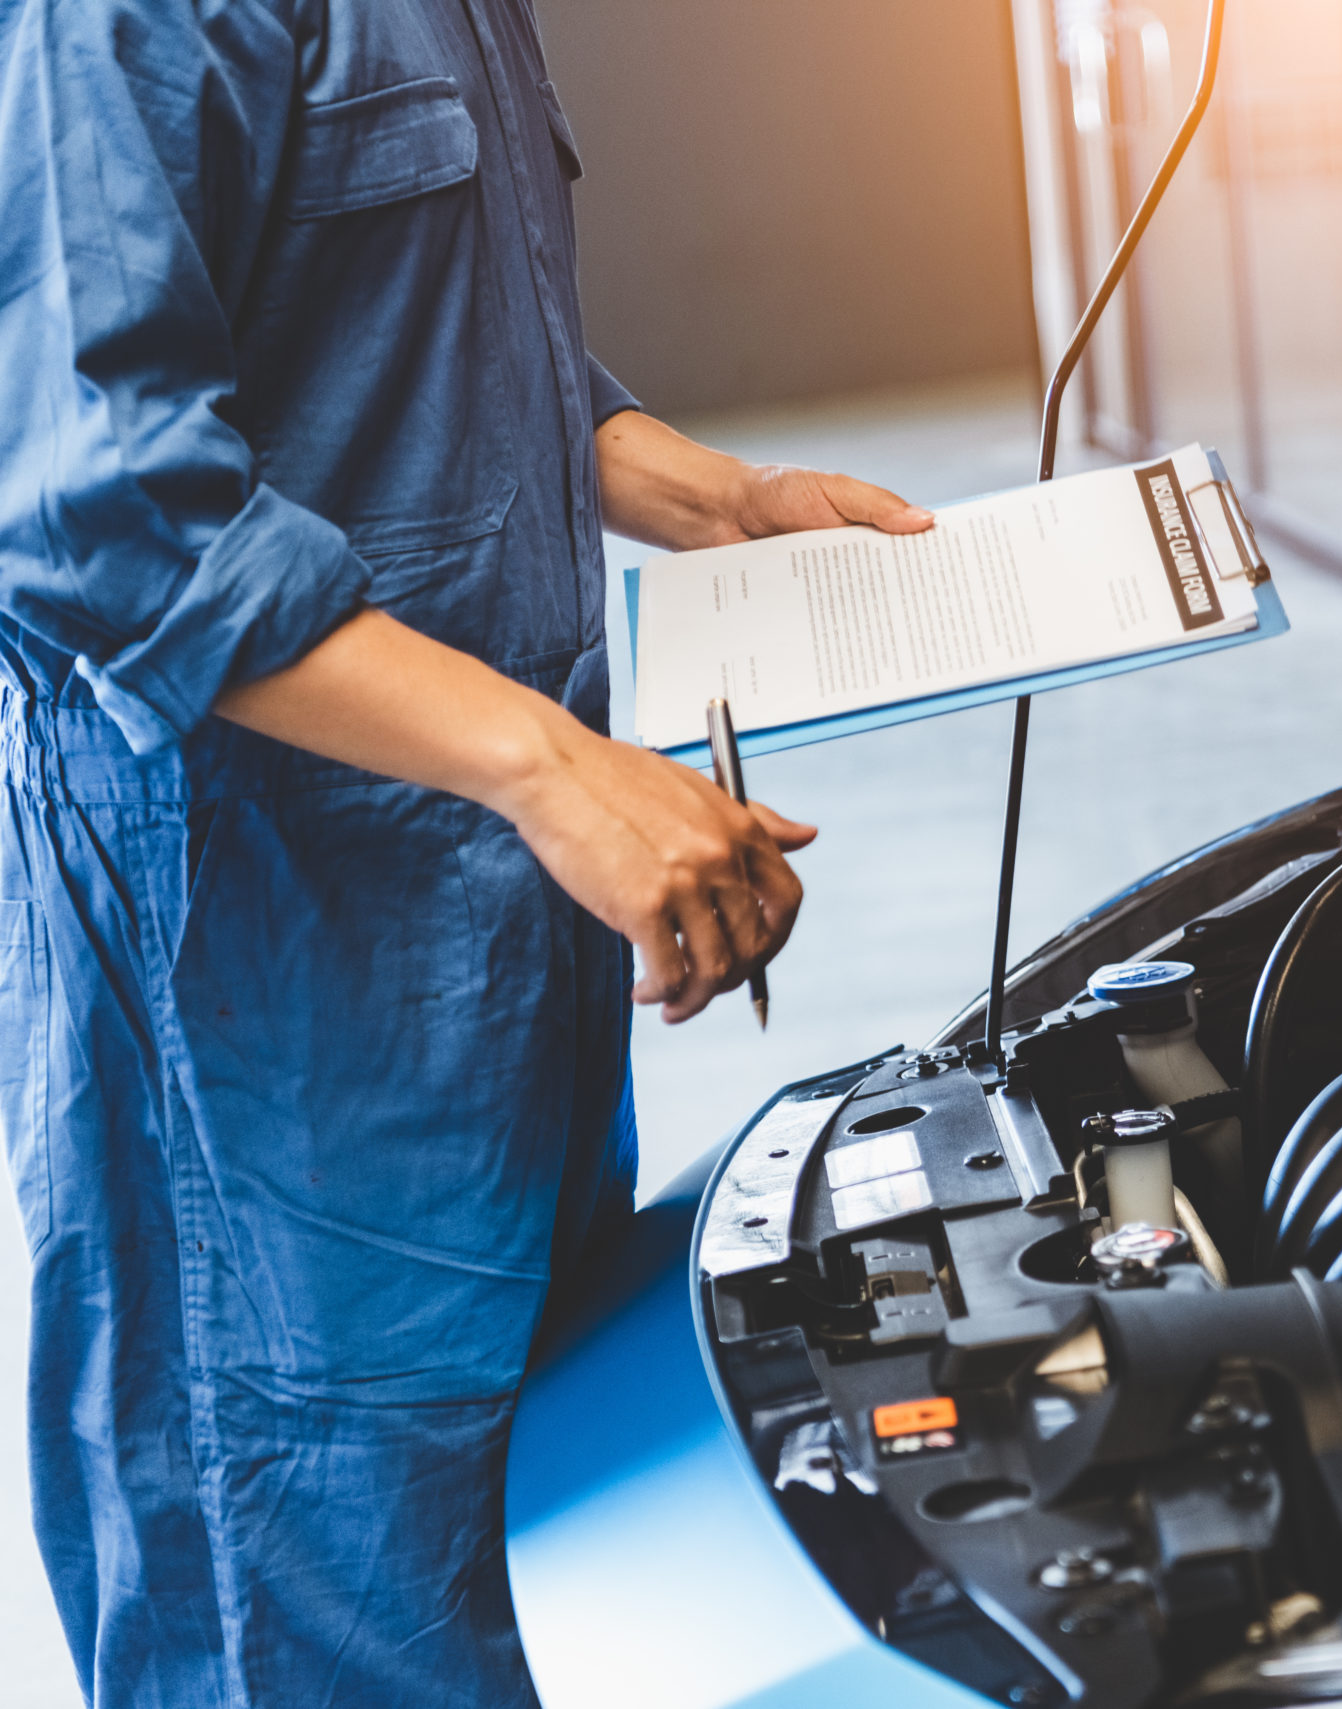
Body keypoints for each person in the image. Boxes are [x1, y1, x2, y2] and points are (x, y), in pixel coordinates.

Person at [0, 2, 931, 1701]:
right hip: (267, 1008)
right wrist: (552, 767)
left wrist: (716, 498)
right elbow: (96, 511)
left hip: (493, 967)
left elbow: (405, 349)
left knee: (517, 1568)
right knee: (315, 1617)